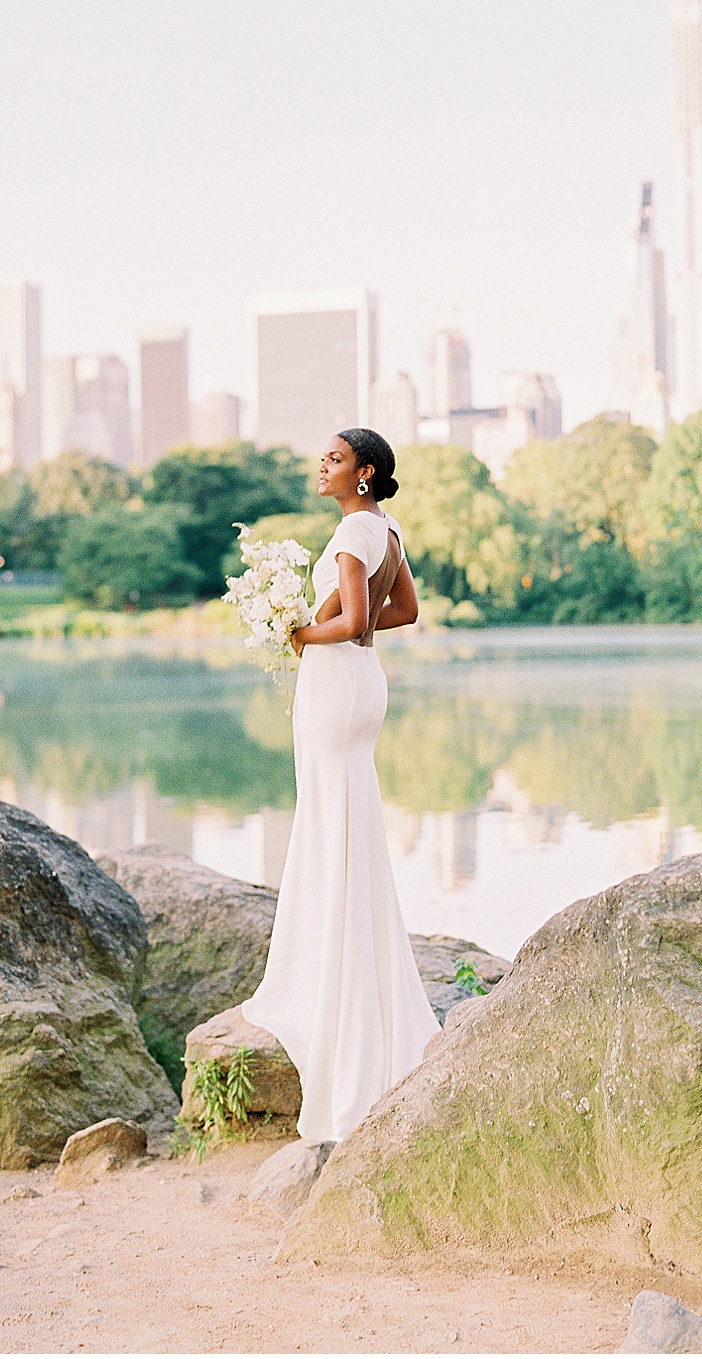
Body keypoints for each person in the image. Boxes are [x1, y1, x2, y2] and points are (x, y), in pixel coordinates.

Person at [240, 427, 442, 1143]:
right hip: (363, 686)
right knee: (343, 817)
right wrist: (320, 619)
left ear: (365, 472)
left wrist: (301, 632)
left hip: (338, 687)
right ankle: (351, 954)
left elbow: (359, 620)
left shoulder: (357, 528)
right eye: (321, 454)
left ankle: (330, 975)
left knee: (330, 819)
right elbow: (403, 610)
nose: (320, 464)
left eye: (333, 457)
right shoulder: (383, 527)